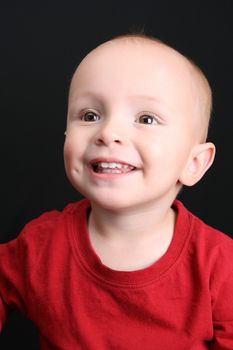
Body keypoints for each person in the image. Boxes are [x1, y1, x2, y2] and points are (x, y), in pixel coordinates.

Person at [0, 33, 233, 349]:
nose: (108, 132)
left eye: (146, 118)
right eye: (90, 115)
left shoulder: (219, 265)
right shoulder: (40, 245)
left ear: (193, 163)